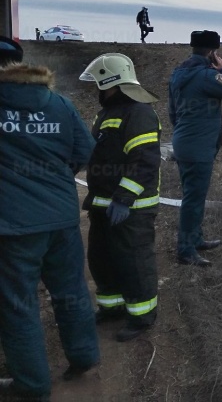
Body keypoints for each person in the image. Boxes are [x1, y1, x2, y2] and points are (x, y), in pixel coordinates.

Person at [0, 36, 100, 399]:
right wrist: (53, 178)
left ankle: (32, 385)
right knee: (71, 290)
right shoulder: (58, 103)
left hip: (13, 227)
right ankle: (85, 357)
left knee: (17, 303)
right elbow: (84, 151)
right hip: (61, 217)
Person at [79, 53, 162, 343]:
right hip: (104, 204)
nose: (97, 91)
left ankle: (142, 315)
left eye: (100, 85)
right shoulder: (107, 113)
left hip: (132, 207)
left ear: (111, 82)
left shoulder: (138, 112)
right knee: (102, 259)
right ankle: (111, 307)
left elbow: (144, 161)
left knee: (134, 261)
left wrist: (124, 198)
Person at [169, 30, 222, 266]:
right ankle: (186, 250)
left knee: (194, 195)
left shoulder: (178, 73)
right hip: (198, 147)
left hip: (184, 141)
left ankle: (195, 239)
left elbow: (172, 112)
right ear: (213, 52)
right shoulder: (205, 76)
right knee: (194, 198)